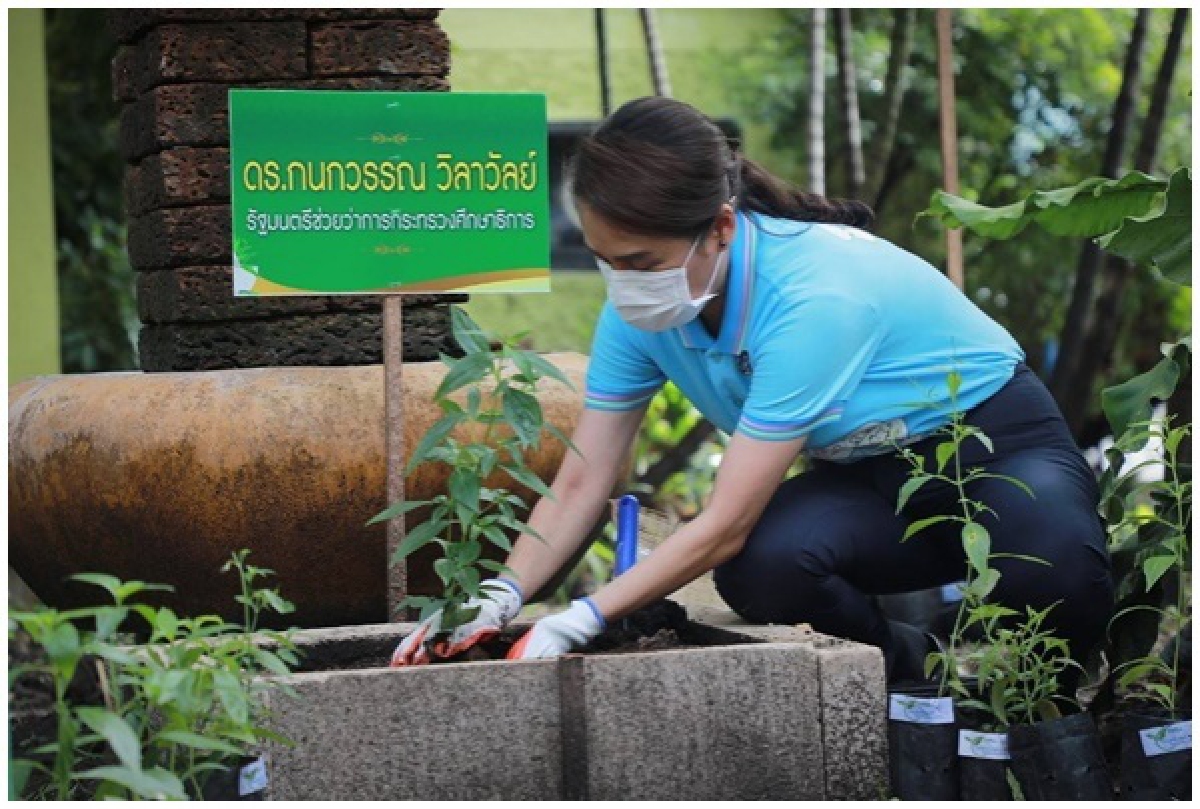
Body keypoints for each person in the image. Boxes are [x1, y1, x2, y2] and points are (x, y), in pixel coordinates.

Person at [392, 96, 1114, 685]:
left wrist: (581, 616)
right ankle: (911, 682)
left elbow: (725, 517)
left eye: (642, 261)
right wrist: (502, 594)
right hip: (869, 478)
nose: (625, 285)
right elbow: (583, 476)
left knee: (1056, 562)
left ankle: (1059, 699)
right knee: (764, 567)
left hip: (994, 442)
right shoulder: (641, 315)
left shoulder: (814, 296)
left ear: (722, 228)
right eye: (608, 262)